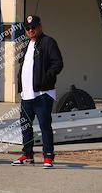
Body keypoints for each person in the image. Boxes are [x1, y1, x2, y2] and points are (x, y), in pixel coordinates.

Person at [12, 15, 63, 169]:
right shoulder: (25, 45)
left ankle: (48, 157)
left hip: (42, 95)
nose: (31, 30)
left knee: (45, 126)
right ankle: (27, 155)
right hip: (27, 95)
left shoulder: (48, 42)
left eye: (33, 27)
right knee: (25, 126)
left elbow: (58, 64)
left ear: (39, 27)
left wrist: (46, 79)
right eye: (28, 28)